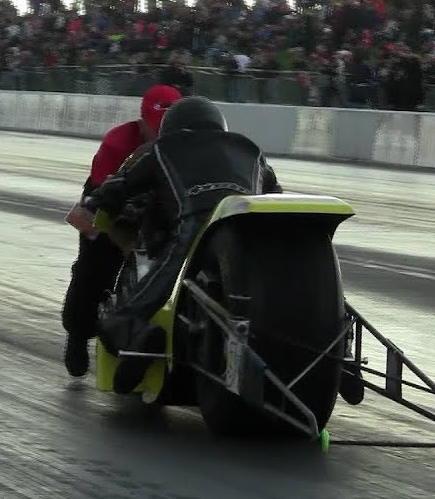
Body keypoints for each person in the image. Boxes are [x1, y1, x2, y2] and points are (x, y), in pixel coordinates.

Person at [73, 96, 282, 393]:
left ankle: (138, 338)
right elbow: (275, 192)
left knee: (117, 319)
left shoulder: (162, 149)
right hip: (249, 232)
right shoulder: (250, 149)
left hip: (192, 230)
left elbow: (120, 184)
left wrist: (94, 201)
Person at [61, 83, 183, 377]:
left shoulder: (187, 145)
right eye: (156, 127)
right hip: (111, 197)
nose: (160, 133)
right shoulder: (117, 143)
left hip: (160, 201)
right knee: (95, 267)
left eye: (168, 127)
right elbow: (102, 196)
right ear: (141, 121)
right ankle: (79, 332)